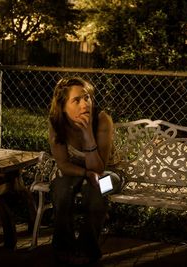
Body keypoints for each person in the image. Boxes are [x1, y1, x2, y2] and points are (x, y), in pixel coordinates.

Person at [48, 76, 120, 265]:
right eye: (77, 100)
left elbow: (99, 168)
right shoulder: (57, 122)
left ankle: (88, 248)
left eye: (87, 97)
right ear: (63, 106)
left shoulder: (101, 119)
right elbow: (63, 165)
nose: (84, 104)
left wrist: (88, 135)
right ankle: (63, 246)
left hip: (107, 173)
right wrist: (85, 174)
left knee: (99, 188)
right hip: (72, 172)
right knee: (61, 190)